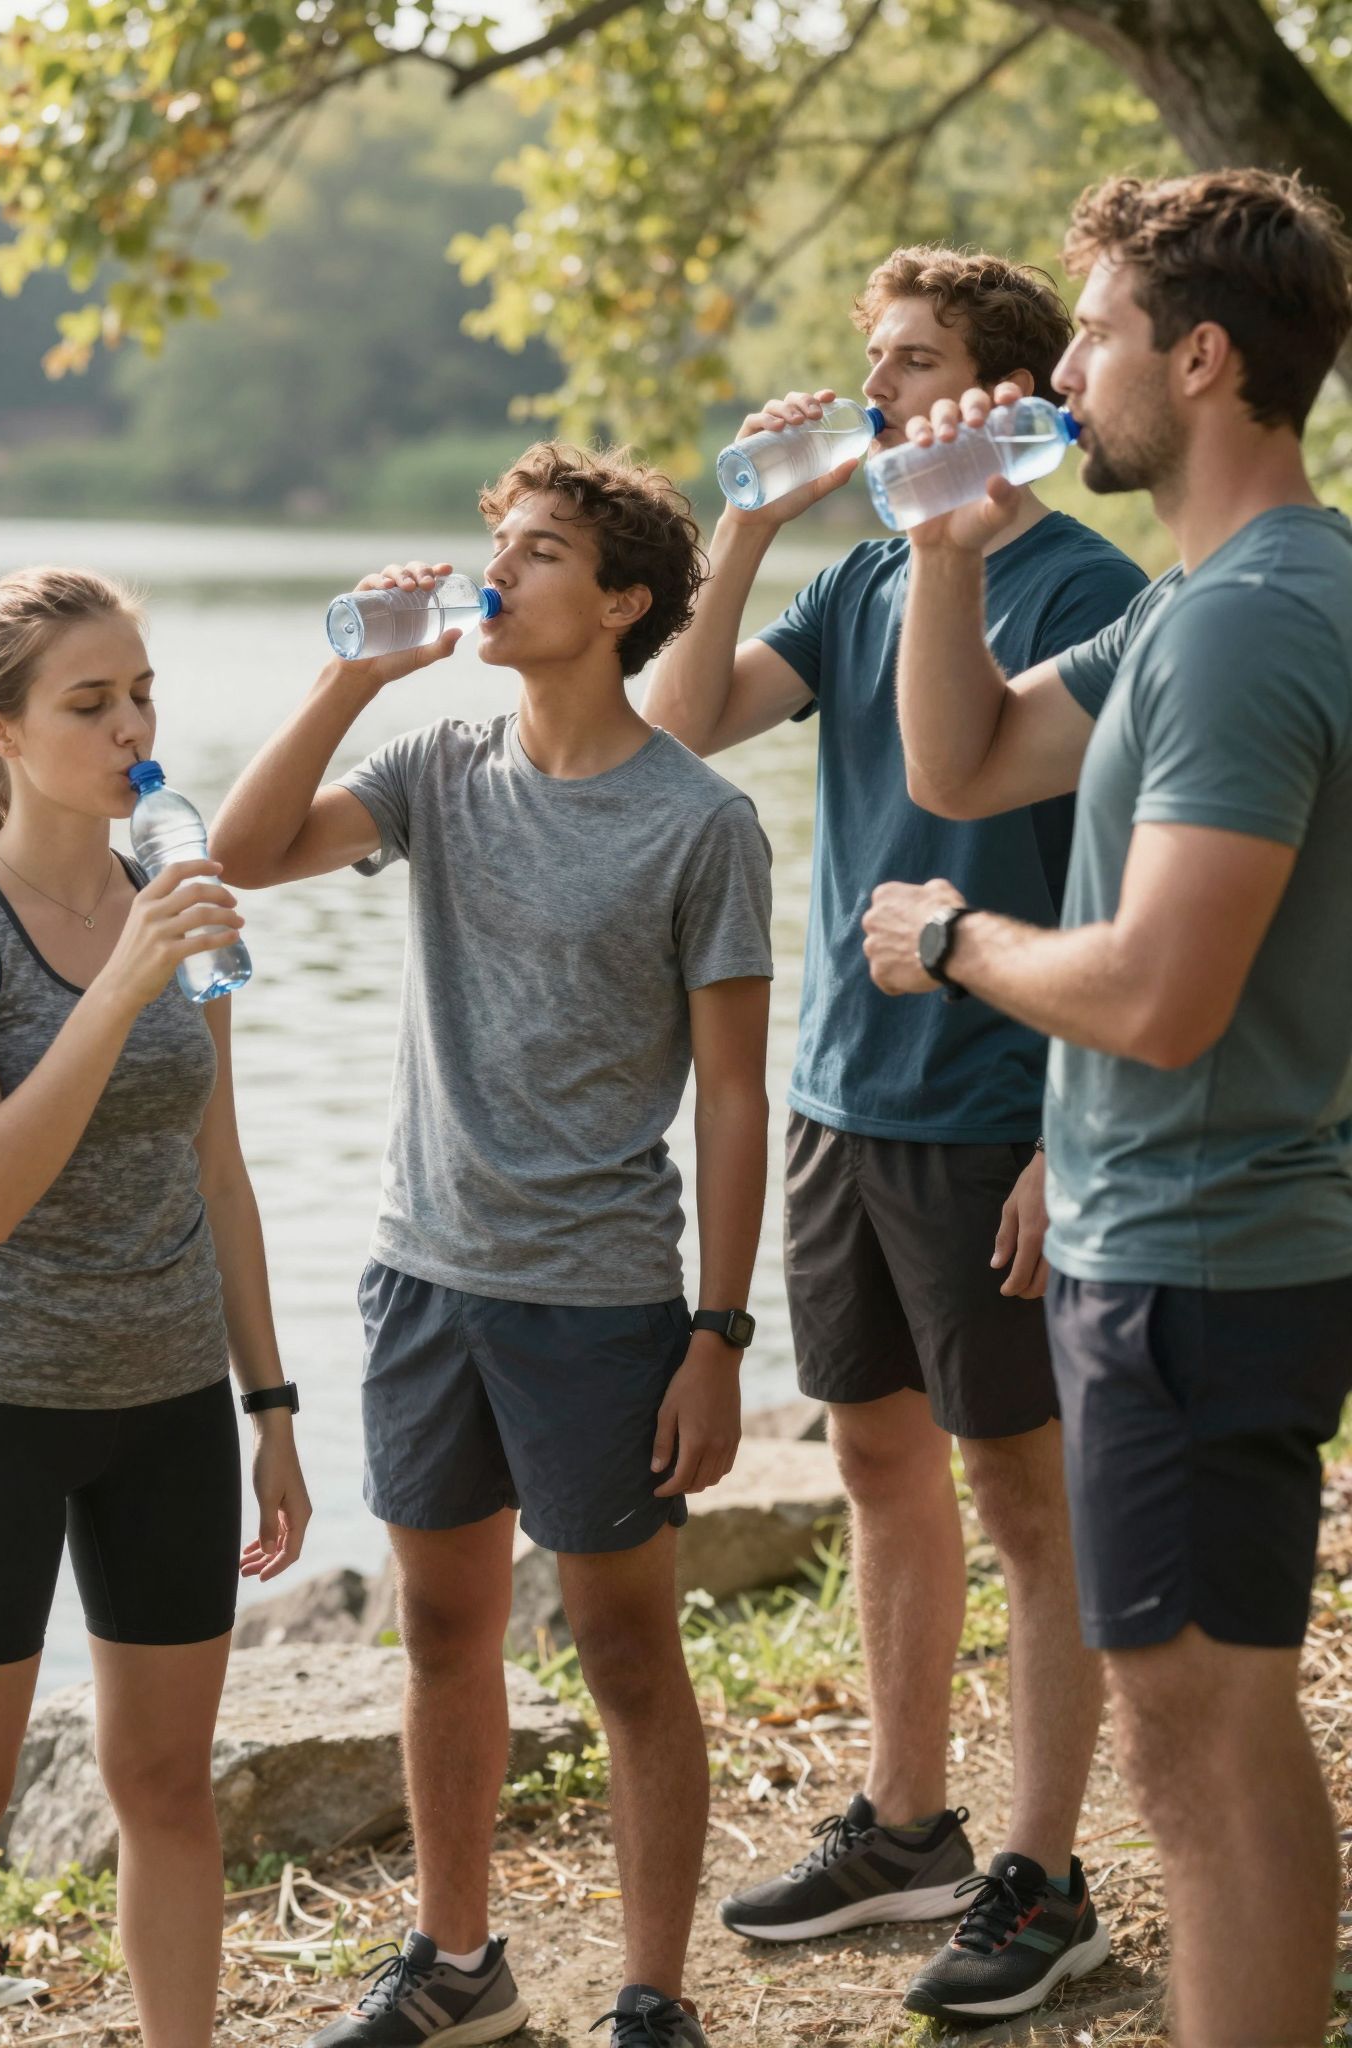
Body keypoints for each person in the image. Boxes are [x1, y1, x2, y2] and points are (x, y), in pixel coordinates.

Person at [861, 168, 1352, 2046]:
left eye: (1093, 334)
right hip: (1171, 1250)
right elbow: (962, 751)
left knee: (1206, 1737)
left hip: (1210, 1258)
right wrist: (955, 547)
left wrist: (960, 941)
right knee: (1204, 1725)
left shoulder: (1245, 624)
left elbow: (1159, 990)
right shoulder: (1202, 604)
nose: (1058, 370)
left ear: (1203, 358)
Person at [210, 443, 773, 2048]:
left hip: (598, 1301)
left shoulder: (701, 822)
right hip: (423, 1276)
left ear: (621, 604)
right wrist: (348, 678)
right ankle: (459, 1968)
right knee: (445, 1630)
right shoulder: (441, 763)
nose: (500, 574)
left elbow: (732, 1098)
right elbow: (239, 855)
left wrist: (718, 1336)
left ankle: (654, 1994)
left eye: (540, 554)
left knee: (624, 1647)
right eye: (499, 547)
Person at [643, 245, 1148, 2023]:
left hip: (1004, 1113)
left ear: (998, 400)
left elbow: (1135, 901)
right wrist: (750, 528)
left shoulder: (1101, 593)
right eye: (869, 359)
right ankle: (911, 1822)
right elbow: (678, 721)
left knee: (1024, 1495)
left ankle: (1047, 1868)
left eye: (911, 361)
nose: (874, 392)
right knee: (876, 1466)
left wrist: (1059, 1139)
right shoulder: (860, 580)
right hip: (839, 1100)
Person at [0, 568, 311, 2048]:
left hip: (169, 1411)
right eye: (91, 702)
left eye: (145, 693)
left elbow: (224, 1170)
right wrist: (121, 983)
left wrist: (272, 1404)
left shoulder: (175, 903)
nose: (135, 727)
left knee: (170, 1790)